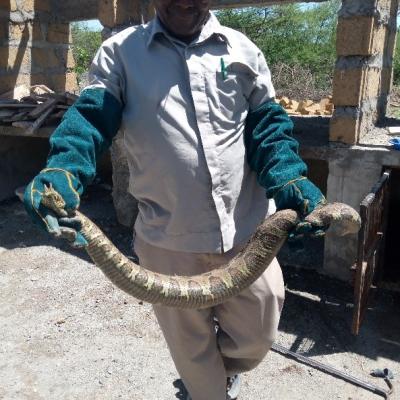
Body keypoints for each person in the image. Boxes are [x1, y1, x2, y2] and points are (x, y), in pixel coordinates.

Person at [24, 1, 326, 399]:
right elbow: (91, 120)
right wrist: (64, 168)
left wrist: (289, 177)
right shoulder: (121, 53)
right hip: (169, 241)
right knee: (193, 354)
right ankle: (205, 389)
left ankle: (223, 376)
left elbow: (268, 130)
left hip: (246, 236)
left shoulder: (242, 50)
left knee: (258, 336)